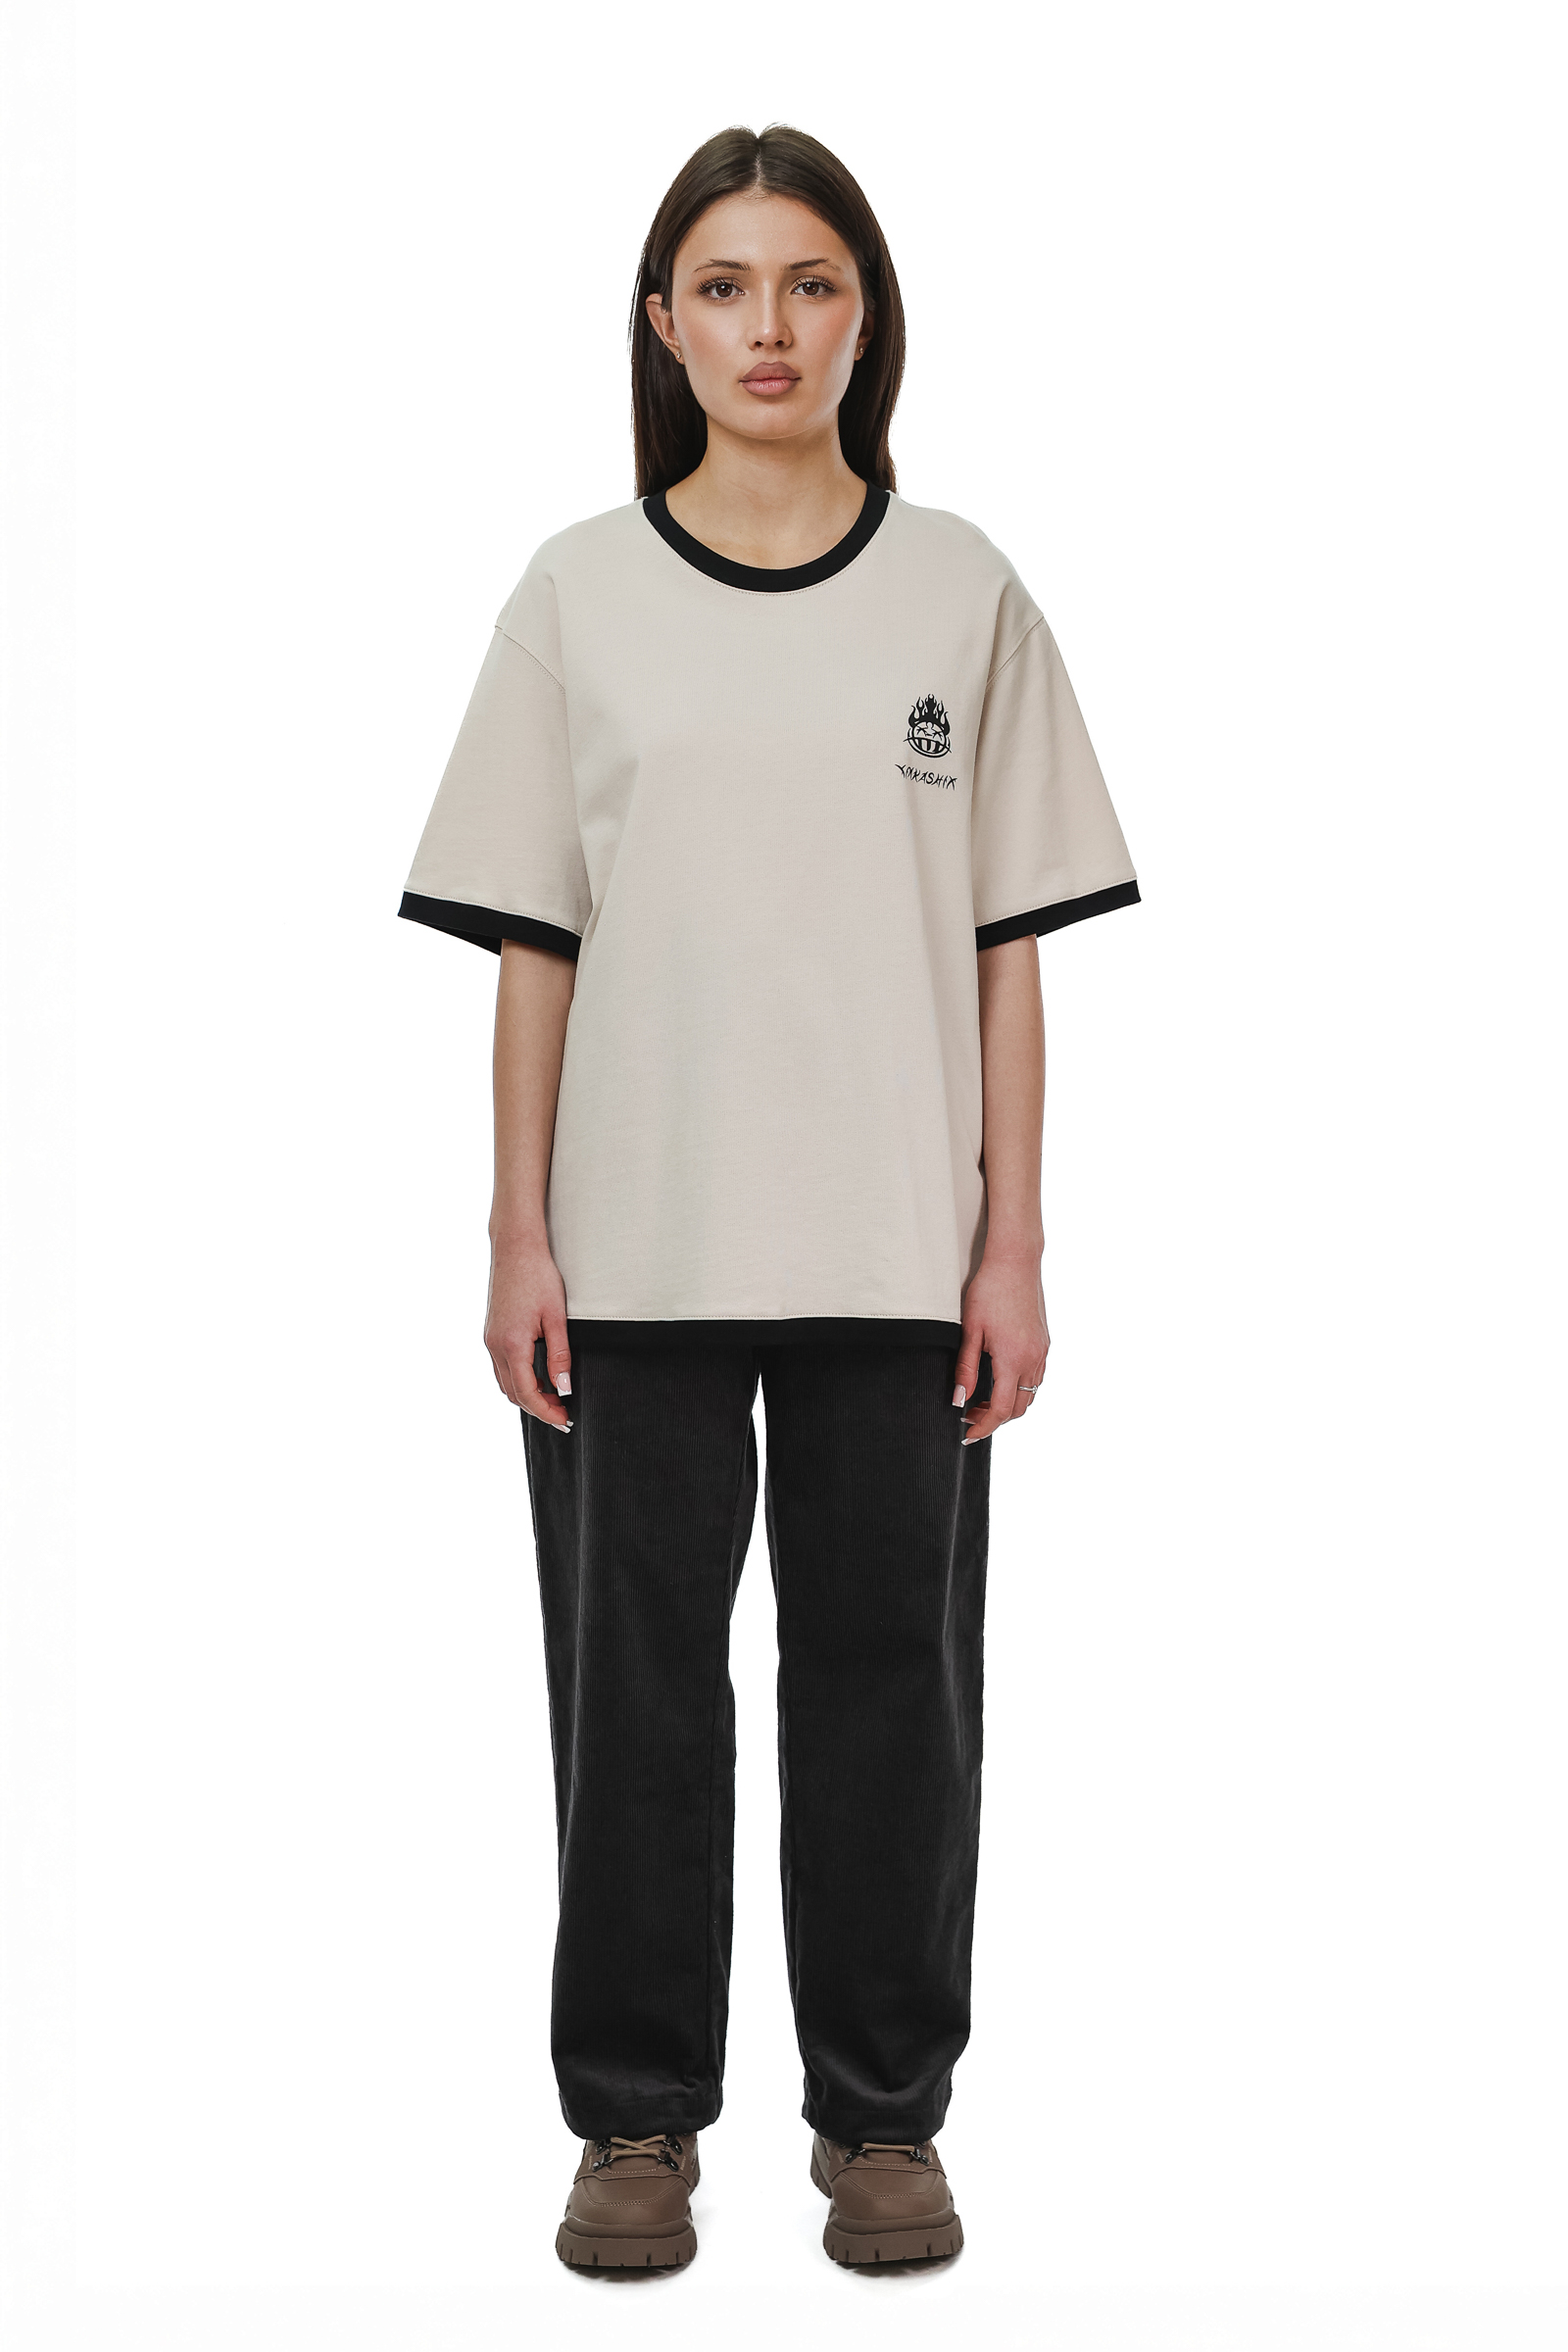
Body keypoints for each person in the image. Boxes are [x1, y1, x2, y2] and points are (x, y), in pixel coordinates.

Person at [398, 122, 1139, 2272]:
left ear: (865, 318)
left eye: (809, 283)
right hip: (632, 1246)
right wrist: (517, 1233)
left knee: (891, 1688)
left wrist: (1012, 1244)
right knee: (633, 1698)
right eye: (722, 287)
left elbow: (1005, 949)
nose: (767, 327)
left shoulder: (961, 591)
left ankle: (882, 2121)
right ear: (662, 324)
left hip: (898, 1249)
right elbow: (536, 940)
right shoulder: (576, 594)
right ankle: (634, 2125)